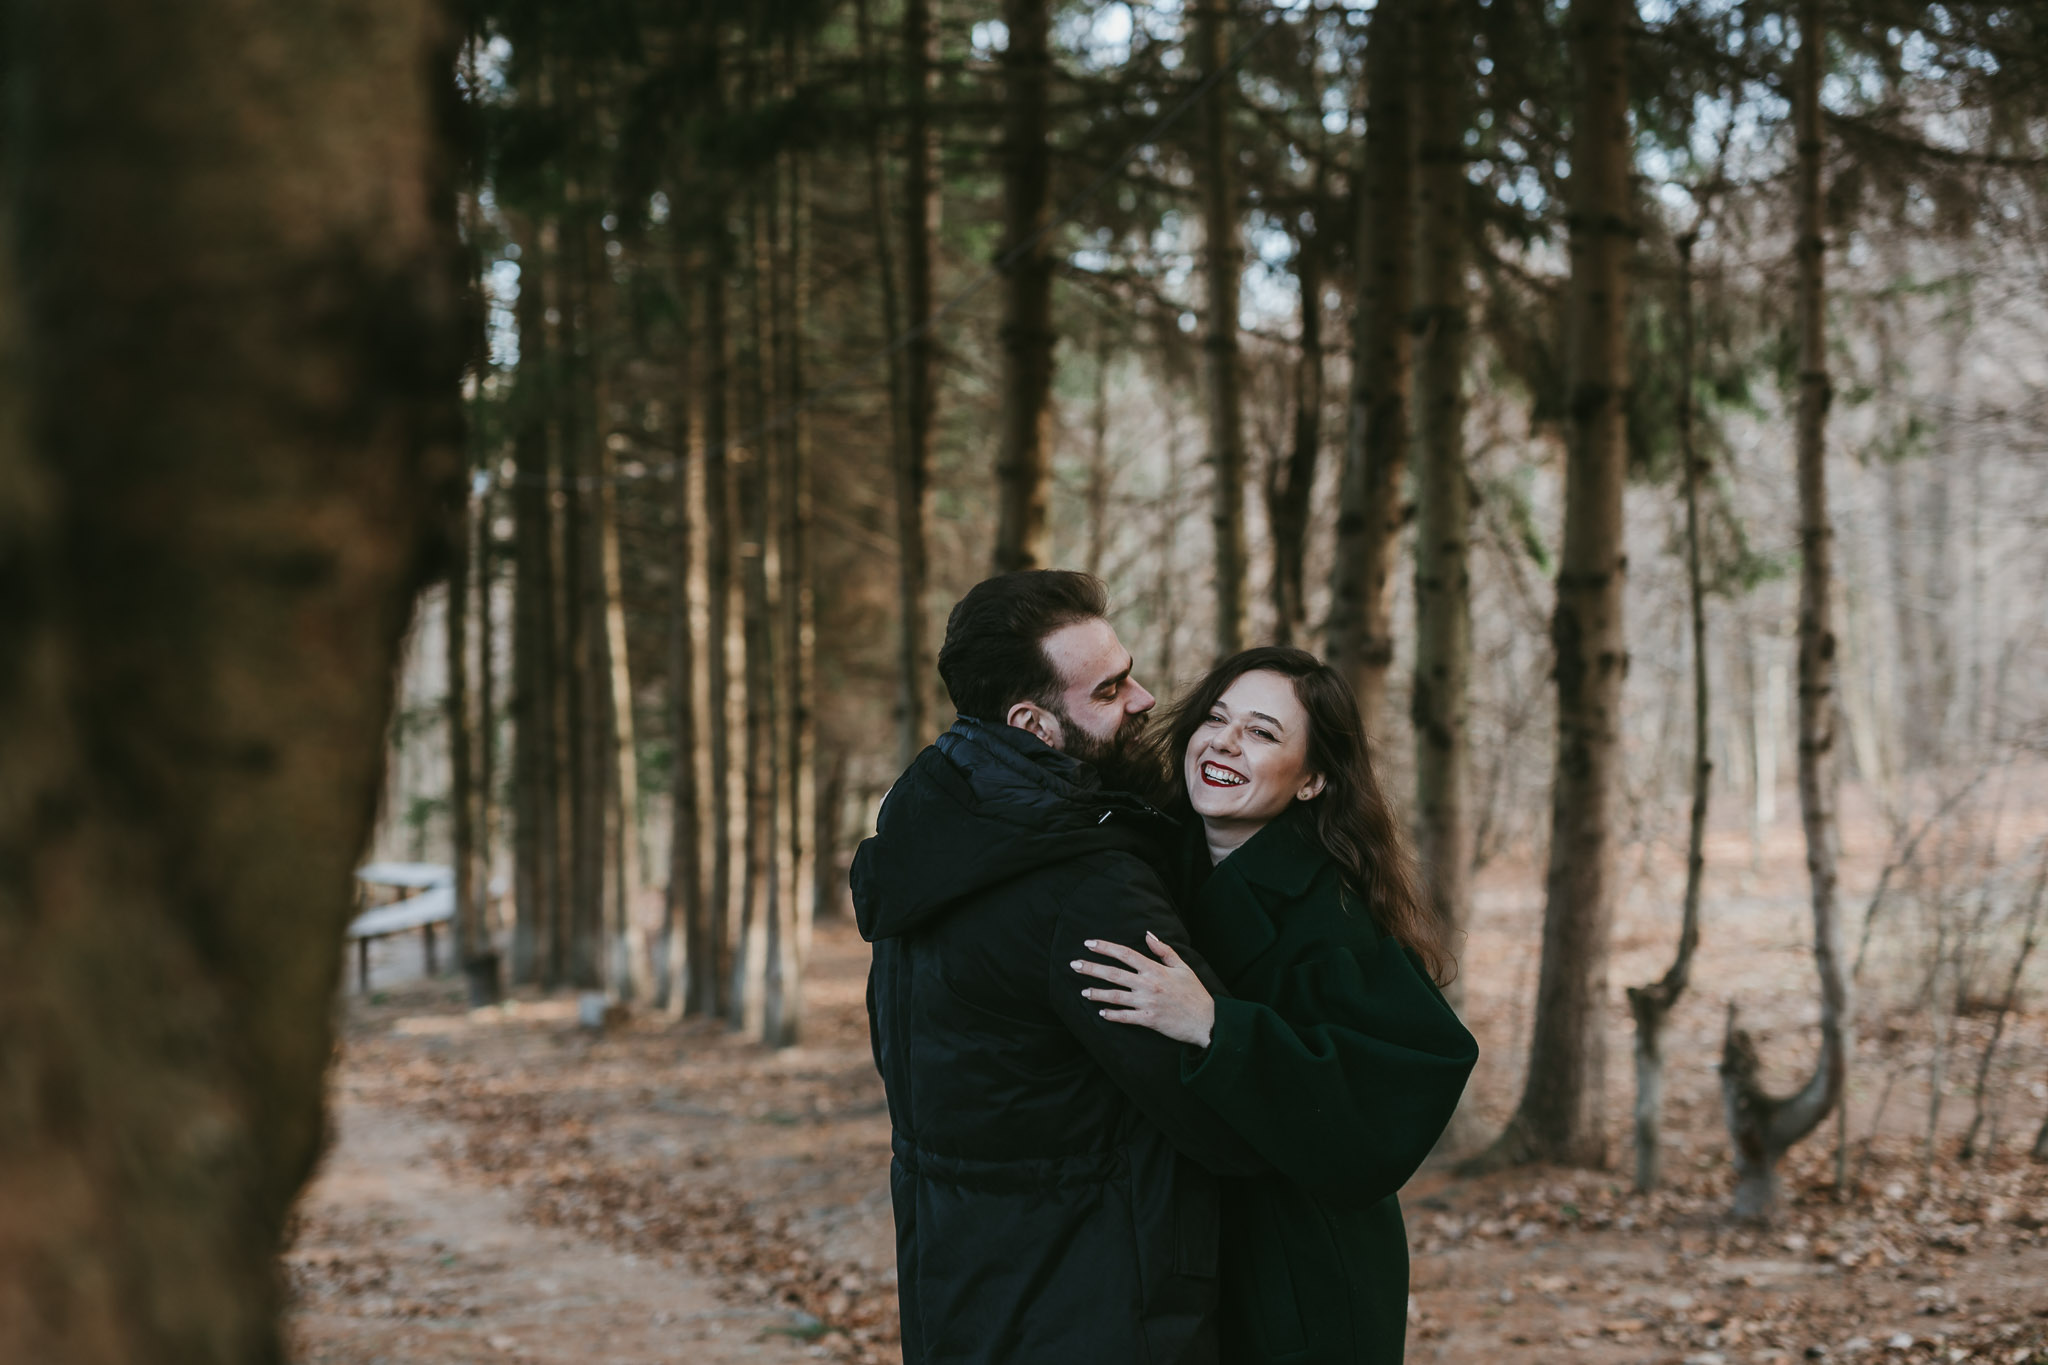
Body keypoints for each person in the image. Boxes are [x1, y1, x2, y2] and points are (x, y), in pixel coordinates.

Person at [851, 571, 1263, 1365]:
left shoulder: (930, 832)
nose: (1144, 699)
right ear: (1031, 724)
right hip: (1099, 1309)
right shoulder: (1084, 886)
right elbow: (1218, 1115)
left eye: (1129, 673)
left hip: (958, 1300)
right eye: (1109, 690)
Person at [1071, 646, 1478, 1365]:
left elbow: (1404, 1087)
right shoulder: (1153, 862)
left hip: (1302, 1278)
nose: (1226, 742)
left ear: (1313, 779)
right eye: (1216, 718)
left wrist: (1215, 1025)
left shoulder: (1334, 916)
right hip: (1181, 1256)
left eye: (1262, 732)